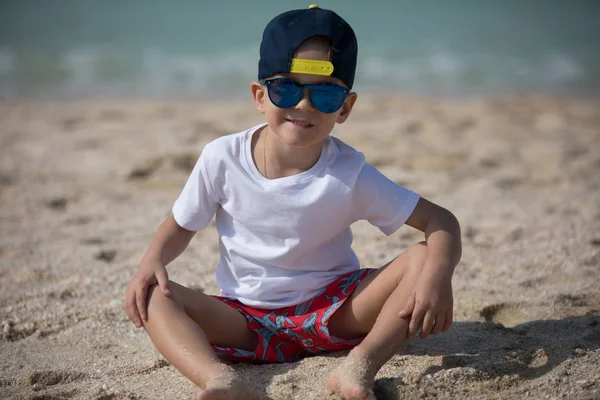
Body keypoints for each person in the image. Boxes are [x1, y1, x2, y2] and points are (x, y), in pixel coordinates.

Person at [124, 5, 461, 400]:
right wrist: (153, 260)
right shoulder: (222, 158)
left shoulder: (349, 173)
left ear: (346, 107)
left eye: (325, 93)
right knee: (151, 294)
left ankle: (360, 364)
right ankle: (220, 380)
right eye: (286, 88)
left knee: (422, 258)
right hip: (244, 318)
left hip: (337, 313)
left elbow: (441, 221)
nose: (304, 105)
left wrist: (439, 274)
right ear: (260, 96)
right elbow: (182, 224)